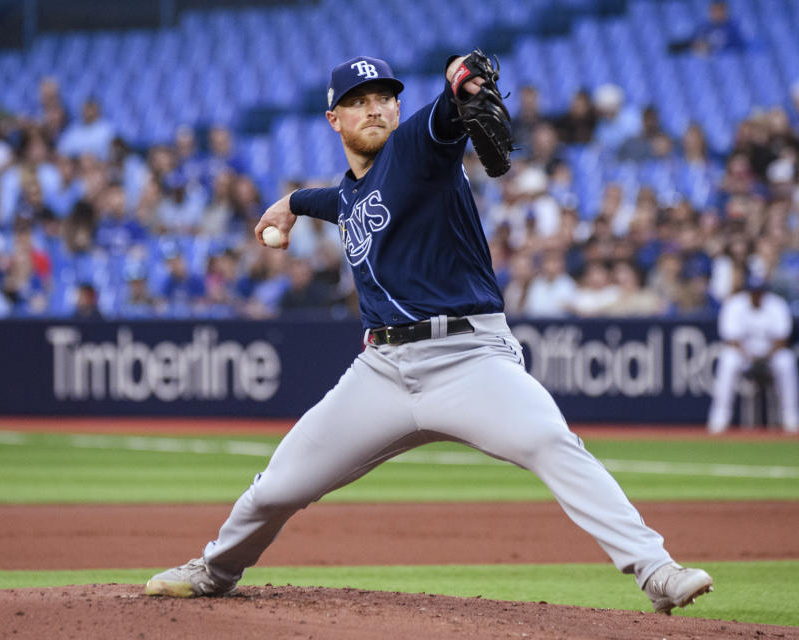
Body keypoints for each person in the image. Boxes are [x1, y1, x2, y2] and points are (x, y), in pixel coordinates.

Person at [143, 53, 713, 613]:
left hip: (470, 358)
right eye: (357, 102)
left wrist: (464, 75)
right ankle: (214, 570)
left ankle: (656, 569)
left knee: (549, 441)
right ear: (334, 120)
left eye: (384, 99)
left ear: (399, 109)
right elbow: (337, 201)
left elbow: (453, 106)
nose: (374, 109)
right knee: (276, 488)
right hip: (382, 373)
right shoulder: (347, 194)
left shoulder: (419, 145)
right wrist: (290, 203)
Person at [707, 276, 799, 434]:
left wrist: (765, 357)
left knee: (786, 361)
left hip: (771, 354)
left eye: (759, 292)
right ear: (747, 292)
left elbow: (782, 339)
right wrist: (750, 356)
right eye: (753, 292)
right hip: (744, 355)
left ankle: (790, 418)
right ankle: (719, 419)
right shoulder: (735, 305)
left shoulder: (776, 305)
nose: (756, 296)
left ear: (765, 292)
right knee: (728, 360)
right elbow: (731, 339)